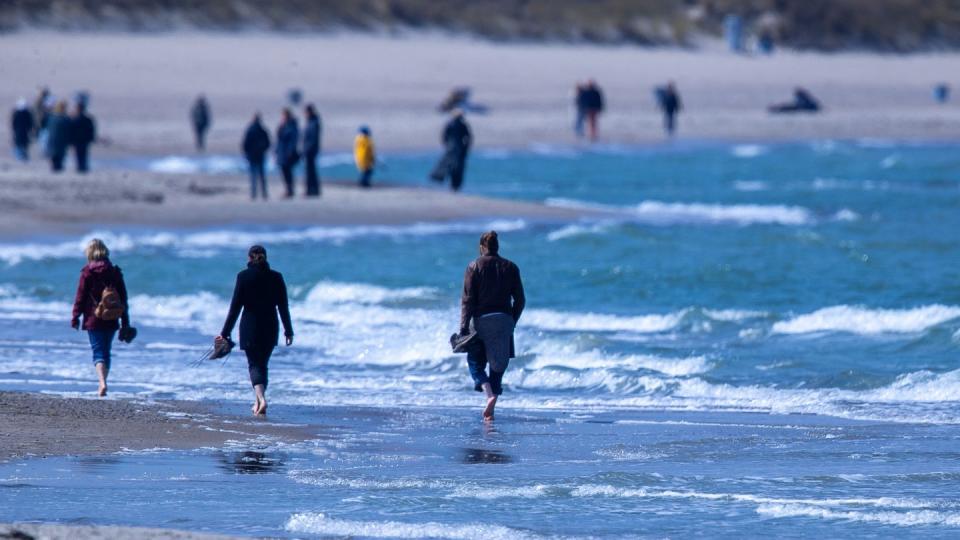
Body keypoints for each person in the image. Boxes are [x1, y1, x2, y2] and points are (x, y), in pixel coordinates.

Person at [217, 245, 293, 416]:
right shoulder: (276, 277)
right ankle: (258, 401)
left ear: (249, 258)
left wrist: (225, 331)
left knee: (254, 364)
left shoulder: (243, 277)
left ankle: (261, 398)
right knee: (262, 364)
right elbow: (283, 307)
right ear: (265, 257)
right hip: (270, 326)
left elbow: (235, 307)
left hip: (249, 327)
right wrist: (289, 331)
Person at [458, 231, 525, 421]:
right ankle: (491, 409)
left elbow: (467, 300)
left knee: (475, 361)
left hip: (481, 320)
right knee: (498, 363)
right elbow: (520, 299)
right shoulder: (511, 267)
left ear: (481, 248)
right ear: (498, 247)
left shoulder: (474, 266)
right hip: (504, 319)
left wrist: (463, 327)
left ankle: (488, 393)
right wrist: (512, 321)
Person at [71, 239, 131, 397]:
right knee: (106, 351)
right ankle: (103, 381)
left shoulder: (87, 273)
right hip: (112, 317)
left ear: (90, 253)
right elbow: (123, 299)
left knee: (98, 352)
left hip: (93, 318)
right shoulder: (115, 272)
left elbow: (80, 297)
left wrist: (75, 317)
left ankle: (102, 382)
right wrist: (125, 322)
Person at [429, 110, 472, 191]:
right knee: (457, 167)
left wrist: (446, 144)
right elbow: (468, 137)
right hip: (458, 148)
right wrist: (465, 148)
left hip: (451, 147)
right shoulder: (462, 125)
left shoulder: (450, 124)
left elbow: (444, 136)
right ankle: (454, 184)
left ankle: (440, 179)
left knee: (446, 164)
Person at [242, 113, 271, 200]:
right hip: (259, 155)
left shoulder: (251, 130)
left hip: (254, 156)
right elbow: (268, 143)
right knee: (261, 176)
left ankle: (254, 194)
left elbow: (245, 144)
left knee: (253, 176)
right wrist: (262, 149)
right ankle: (263, 193)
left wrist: (247, 153)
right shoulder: (262, 130)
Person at [275, 108, 300, 198]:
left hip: (287, 153)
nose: (283, 118)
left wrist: (290, 151)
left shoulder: (292, 126)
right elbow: (279, 138)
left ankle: (290, 190)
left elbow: (293, 140)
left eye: (284, 116)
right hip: (281, 152)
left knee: (288, 172)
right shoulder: (283, 126)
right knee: (284, 172)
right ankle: (287, 189)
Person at [45, 101, 71, 172]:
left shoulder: (52, 118)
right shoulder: (64, 119)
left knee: (55, 159)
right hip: (59, 142)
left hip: (54, 142)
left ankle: (55, 169)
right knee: (58, 159)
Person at [70, 101, 96, 173]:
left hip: (78, 141)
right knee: (83, 154)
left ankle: (80, 168)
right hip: (84, 141)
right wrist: (91, 138)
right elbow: (91, 130)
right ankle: (83, 167)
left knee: (79, 155)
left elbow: (71, 130)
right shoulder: (88, 119)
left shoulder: (75, 119)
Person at [302, 104, 322, 197]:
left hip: (311, 150)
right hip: (308, 149)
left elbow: (313, 138)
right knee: (309, 171)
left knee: (311, 171)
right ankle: (311, 189)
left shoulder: (314, 122)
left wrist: (308, 148)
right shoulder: (310, 122)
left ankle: (312, 190)